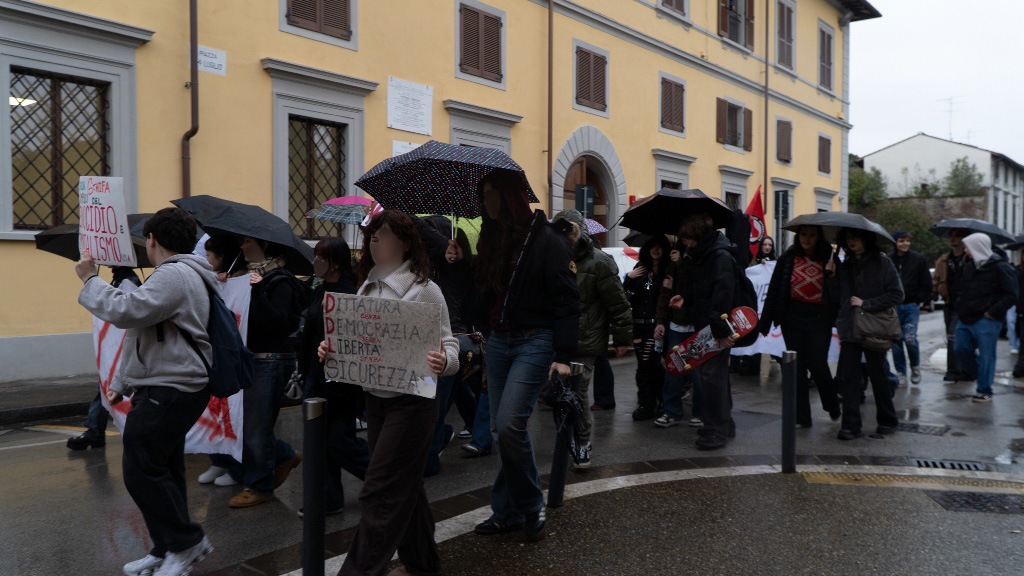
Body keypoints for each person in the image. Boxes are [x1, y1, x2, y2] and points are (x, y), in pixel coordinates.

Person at [317, 209, 459, 575]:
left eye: (382, 236)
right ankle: (425, 567)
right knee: (405, 489)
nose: (374, 241)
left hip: (412, 404)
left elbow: (450, 344)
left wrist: (446, 362)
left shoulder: (426, 291)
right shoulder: (367, 284)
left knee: (379, 493)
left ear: (405, 244)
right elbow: (357, 339)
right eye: (372, 236)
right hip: (375, 400)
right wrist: (331, 349)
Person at [76, 207, 214, 576]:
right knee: (163, 468)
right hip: (166, 382)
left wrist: (90, 279)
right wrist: (122, 383)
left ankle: (186, 542)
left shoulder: (175, 275)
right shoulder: (180, 273)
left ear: (152, 240)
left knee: (140, 469)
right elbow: (144, 335)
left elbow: (127, 310)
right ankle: (167, 546)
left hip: (172, 386)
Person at [472, 172, 580, 542]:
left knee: (509, 424)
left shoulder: (548, 240)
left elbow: (567, 300)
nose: (487, 202)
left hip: (536, 340)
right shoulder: (492, 237)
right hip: (499, 342)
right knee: (502, 432)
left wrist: (564, 354)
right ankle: (507, 511)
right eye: (483, 195)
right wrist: (457, 261)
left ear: (510, 196)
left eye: (492, 194)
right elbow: (484, 293)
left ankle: (530, 505)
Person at [226, 236, 307, 508]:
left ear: (266, 245)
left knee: (256, 427)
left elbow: (278, 323)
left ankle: (260, 486)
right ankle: (284, 454)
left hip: (269, 361)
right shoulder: (243, 276)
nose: (242, 247)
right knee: (248, 425)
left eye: (248, 242)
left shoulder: (279, 280)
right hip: (250, 361)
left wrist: (258, 291)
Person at [551, 209, 632, 467]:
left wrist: (621, 339)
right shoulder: (554, 259)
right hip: (556, 339)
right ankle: (568, 437)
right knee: (560, 392)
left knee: (579, 393)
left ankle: (583, 441)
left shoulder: (600, 261)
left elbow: (618, 304)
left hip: (586, 341)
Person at [296, 237, 368, 517]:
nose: (315, 262)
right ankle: (329, 498)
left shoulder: (347, 295)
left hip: (339, 382)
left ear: (335, 263)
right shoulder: (319, 290)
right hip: (316, 375)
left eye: (320, 257)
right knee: (321, 441)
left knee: (339, 440)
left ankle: (385, 477)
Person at [655, 213, 737, 450]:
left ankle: (716, 431)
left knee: (713, 378)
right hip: (710, 323)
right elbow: (704, 289)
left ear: (697, 236)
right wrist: (686, 298)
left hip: (715, 326)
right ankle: (724, 424)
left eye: (687, 238)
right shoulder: (706, 254)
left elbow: (722, 293)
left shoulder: (718, 256)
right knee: (716, 377)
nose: (684, 243)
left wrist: (721, 330)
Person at [759, 225, 841, 428]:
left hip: (819, 318)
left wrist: (832, 276)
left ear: (818, 238)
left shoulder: (830, 259)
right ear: (798, 237)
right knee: (796, 367)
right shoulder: (788, 258)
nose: (807, 239)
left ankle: (832, 405)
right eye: (804, 234)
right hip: (792, 317)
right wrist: (765, 323)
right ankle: (802, 417)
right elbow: (775, 289)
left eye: (812, 235)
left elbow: (838, 293)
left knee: (818, 365)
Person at [832, 228, 903, 440]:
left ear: (866, 240)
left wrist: (867, 304)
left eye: (855, 237)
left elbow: (897, 294)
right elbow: (837, 296)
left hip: (874, 327)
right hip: (851, 327)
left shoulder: (883, 263)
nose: (851, 241)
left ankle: (888, 420)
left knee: (878, 375)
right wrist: (831, 275)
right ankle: (850, 426)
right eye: (848, 237)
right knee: (850, 378)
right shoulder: (844, 266)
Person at [68, 266, 142, 451]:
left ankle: (97, 431)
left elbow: (123, 312)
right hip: (113, 350)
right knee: (104, 388)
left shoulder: (128, 282)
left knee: (109, 388)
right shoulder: (120, 280)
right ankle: (95, 431)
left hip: (121, 349)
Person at [954, 233, 1018, 402]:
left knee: (987, 356)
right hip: (966, 317)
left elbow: (1011, 294)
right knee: (960, 348)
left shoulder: (1000, 267)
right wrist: (960, 307)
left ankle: (984, 390)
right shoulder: (968, 266)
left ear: (978, 246)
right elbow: (962, 290)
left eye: (968, 246)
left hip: (988, 319)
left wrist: (993, 312)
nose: (965, 250)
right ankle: (982, 375)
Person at [623, 234, 671, 421]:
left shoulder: (668, 270)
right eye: (652, 246)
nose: (656, 250)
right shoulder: (639, 269)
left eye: (659, 247)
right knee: (643, 365)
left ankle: (657, 402)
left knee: (650, 363)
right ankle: (646, 403)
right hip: (638, 325)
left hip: (656, 325)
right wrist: (629, 277)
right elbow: (626, 297)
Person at [887, 230, 932, 387]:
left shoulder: (918, 259)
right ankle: (901, 372)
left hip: (911, 305)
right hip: (893, 307)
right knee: (896, 341)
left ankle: (915, 366)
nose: (905, 243)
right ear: (895, 242)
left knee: (910, 338)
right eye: (901, 240)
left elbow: (926, 281)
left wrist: (921, 299)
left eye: (907, 240)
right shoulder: (888, 260)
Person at [932, 229, 974, 382]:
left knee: (953, 336)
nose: (953, 239)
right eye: (951, 235)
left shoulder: (970, 258)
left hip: (964, 304)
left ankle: (953, 371)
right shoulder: (944, 260)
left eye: (957, 236)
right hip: (949, 303)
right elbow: (936, 280)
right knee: (959, 338)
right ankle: (968, 369)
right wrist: (929, 296)